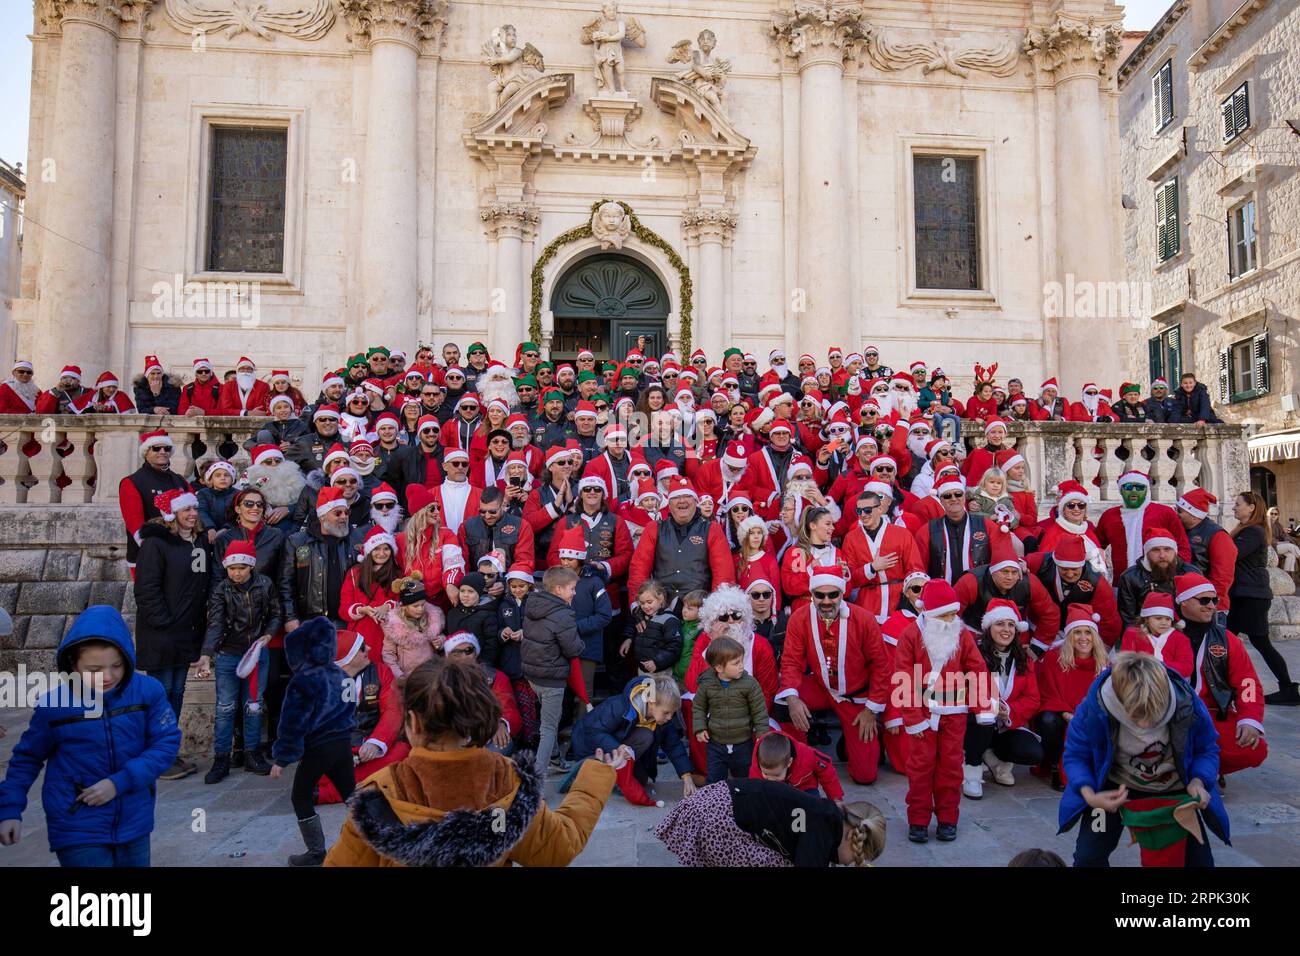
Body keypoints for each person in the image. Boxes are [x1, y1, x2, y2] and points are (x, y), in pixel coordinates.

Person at [324, 653, 619, 866]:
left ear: (412, 722)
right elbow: (559, 848)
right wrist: (595, 777)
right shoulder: (507, 780)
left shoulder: (381, 793)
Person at [0, 606, 181, 867]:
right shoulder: (55, 705)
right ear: (73, 664)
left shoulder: (148, 691)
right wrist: (9, 810)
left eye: (116, 666)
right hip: (76, 822)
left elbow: (166, 743)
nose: (108, 677)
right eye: (94, 669)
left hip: (134, 819)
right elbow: (26, 759)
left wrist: (120, 782)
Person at [1058, 651, 1226, 867]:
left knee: (1199, 863)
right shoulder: (1094, 708)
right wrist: (1088, 794)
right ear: (1119, 701)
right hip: (1110, 791)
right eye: (1136, 717)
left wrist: (1199, 780)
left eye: (1155, 716)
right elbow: (1076, 755)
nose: (1145, 726)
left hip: (1174, 793)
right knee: (1088, 857)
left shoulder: (1188, 705)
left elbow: (1207, 749)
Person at [894, 578, 992, 843]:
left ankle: (948, 819)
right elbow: (903, 677)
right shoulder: (911, 635)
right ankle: (918, 819)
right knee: (920, 768)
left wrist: (982, 707)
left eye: (953, 614)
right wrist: (913, 719)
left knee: (950, 768)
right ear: (929, 613)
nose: (951, 619)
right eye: (945, 615)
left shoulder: (962, 634)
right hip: (922, 715)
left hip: (955, 713)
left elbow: (977, 669)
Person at [776, 565, 890, 786]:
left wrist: (870, 710)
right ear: (812, 595)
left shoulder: (864, 620)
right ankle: (796, 757)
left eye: (833, 594)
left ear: (842, 593)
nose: (826, 601)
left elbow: (881, 667)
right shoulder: (800, 618)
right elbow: (791, 661)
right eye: (819, 595)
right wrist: (792, 698)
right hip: (821, 686)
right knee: (782, 701)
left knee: (865, 775)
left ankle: (852, 742)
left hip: (855, 697)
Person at [132, 487, 212, 781]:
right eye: (185, 510)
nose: (192, 515)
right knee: (161, 693)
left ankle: (167, 750)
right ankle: (155, 754)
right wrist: (163, 622)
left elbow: (201, 583)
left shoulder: (199, 543)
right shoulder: (156, 543)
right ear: (172, 515)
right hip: (163, 633)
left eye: (194, 509)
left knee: (177, 693)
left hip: (187, 632)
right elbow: (147, 588)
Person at [270, 617, 358, 866]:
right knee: (351, 796)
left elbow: (293, 721)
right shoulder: (341, 674)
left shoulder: (303, 680)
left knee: (300, 796)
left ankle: (316, 852)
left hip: (318, 746)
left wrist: (282, 758)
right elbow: (351, 706)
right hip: (342, 743)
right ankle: (374, 837)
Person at [196, 540, 281, 781]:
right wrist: (206, 655)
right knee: (225, 708)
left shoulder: (265, 585)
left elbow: (275, 612)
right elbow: (216, 623)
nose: (237, 572)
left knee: (253, 706)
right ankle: (222, 757)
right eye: (232, 568)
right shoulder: (222, 590)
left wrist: (269, 633)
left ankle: (252, 753)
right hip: (228, 655)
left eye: (242, 567)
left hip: (255, 653)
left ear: (251, 566)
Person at [654, 779, 884, 867]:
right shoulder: (823, 830)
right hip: (715, 818)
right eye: (851, 861)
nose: (845, 864)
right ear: (850, 835)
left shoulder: (824, 816)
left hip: (711, 803)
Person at [1174, 573, 1268, 777]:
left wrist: (1249, 720)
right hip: (1168, 714)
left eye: (1214, 600)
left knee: (1255, 749)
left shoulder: (1227, 640)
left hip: (1212, 714)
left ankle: (1206, 769)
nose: (1211, 606)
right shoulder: (1163, 635)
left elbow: (1248, 683)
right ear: (1183, 602)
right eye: (1204, 600)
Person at [568, 673, 697, 808]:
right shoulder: (619, 705)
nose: (670, 717)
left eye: (672, 713)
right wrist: (617, 747)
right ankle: (586, 770)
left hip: (620, 749)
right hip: (589, 747)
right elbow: (592, 731)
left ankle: (609, 775)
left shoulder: (662, 718)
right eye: (666, 713)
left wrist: (686, 776)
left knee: (641, 781)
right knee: (646, 735)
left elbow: (674, 745)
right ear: (651, 703)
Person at [961, 600, 1043, 799]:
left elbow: (1033, 698)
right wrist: (991, 706)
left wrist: (1008, 710)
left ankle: (993, 758)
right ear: (989, 627)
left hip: (1006, 723)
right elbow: (964, 688)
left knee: (1033, 752)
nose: (1006, 630)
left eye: (1011, 625)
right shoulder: (975, 653)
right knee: (984, 718)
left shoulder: (1024, 658)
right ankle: (971, 771)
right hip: (975, 721)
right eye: (1000, 624)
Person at [1228, 492, 1297, 704]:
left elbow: (1232, 554)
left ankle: (1288, 689)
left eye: (1238, 505)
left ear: (1251, 507)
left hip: (1252, 596)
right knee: (1227, 640)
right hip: (1245, 594)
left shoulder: (1253, 532)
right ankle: (1224, 685)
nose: (1234, 508)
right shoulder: (1247, 531)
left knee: (1259, 642)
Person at [627, 475, 735, 604]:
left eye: (687, 496)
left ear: (696, 501)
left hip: (699, 609)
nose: (682, 500)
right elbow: (639, 569)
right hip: (661, 608)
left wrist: (718, 610)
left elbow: (723, 575)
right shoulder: (654, 528)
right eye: (676, 497)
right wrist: (639, 605)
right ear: (669, 503)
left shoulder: (712, 529)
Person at [1033, 605, 1108, 791]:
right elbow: (1047, 693)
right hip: (1062, 714)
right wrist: (1067, 714)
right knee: (1049, 720)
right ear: (1069, 636)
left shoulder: (1104, 663)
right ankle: (1055, 764)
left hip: (1091, 714)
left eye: (1088, 633)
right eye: (1077, 633)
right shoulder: (1053, 659)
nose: (1083, 638)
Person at [523, 566, 584, 780]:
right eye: (572, 589)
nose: (574, 593)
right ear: (558, 589)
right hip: (552, 679)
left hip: (533, 675)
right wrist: (581, 643)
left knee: (549, 718)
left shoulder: (532, 604)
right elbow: (573, 648)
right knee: (549, 727)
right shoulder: (563, 614)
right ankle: (536, 780)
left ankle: (555, 759)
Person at [693, 637, 769, 784]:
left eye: (742, 661)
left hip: (743, 742)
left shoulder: (750, 684)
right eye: (736, 663)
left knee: (745, 778)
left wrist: (761, 733)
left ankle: (744, 803)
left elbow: (759, 710)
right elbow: (699, 707)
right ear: (719, 668)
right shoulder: (707, 684)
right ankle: (714, 804)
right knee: (714, 780)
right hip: (716, 743)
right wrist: (700, 728)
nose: (742, 666)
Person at [119, 430, 192, 574]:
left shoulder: (179, 480)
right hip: (148, 554)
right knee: (150, 596)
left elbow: (193, 513)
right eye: (157, 448)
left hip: (181, 551)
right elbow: (134, 522)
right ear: (146, 452)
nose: (163, 452)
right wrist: (152, 549)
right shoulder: (132, 482)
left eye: (167, 448)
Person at [1096, 470, 1191, 577]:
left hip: (1160, 581)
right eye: (1128, 487)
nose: (1134, 491)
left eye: (1140, 487)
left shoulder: (1164, 513)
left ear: (1146, 490)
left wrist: (1174, 573)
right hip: (1121, 582)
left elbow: (1183, 547)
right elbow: (1096, 547)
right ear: (1121, 490)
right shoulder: (1109, 516)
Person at [1175, 488, 1237, 613]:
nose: (1177, 514)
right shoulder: (1182, 531)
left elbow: (1222, 576)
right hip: (1188, 602)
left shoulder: (1218, 535)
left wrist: (1209, 601)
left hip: (1209, 606)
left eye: (1180, 511)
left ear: (1194, 516)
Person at [379, 573, 445, 681]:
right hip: (409, 677)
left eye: (422, 605)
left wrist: (441, 641)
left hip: (432, 674)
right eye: (415, 606)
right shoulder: (394, 627)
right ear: (404, 606)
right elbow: (388, 655)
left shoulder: (432, 619)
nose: (420, 609)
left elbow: (441, 637)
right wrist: (400, 677)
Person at [748, 729, 844, 801]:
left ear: (789, 762)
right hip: (772, 792)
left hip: (804, 788)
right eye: (766, 775)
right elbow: (754, 788)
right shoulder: (758, 762)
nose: (771, 779)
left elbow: (826, 768)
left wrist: (836, 799)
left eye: (776, 775)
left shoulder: (806, 755)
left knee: (815, 811)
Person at [1119, 592, 1194, 679]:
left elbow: (1187, 667)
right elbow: (1125, 662)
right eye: (1158, 618)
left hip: (1170, 681)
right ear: (1146, 619)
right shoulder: (1132, 634)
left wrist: (1156, 665)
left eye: (1168, 619)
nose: (1164, 623)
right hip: (1138, 680)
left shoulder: (1180, 638)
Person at [621, 578, 683, 676]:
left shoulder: (669, 620)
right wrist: (628, 639)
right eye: (642, 603)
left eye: (649, 602)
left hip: (661, 672)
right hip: (642, 669)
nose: (645, 606)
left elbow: (674, 647)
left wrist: (657, 662)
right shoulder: (641, 615)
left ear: (661, 599)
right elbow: (633, 625)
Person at [1269, 506, 1300, 574]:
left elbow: (1284, 535)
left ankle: (1287, 575)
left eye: (1275, 514)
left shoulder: (1278, 525)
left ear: (1278, 515)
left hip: (1279, 546)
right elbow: (1268, 539)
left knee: (1291, 555)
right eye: (1272, 513)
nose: (1273, 515)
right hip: (1271, 547)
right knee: (1291, 546)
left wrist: (1287, 540)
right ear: (1268, 514)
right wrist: (1280, 542)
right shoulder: (1266, 525)